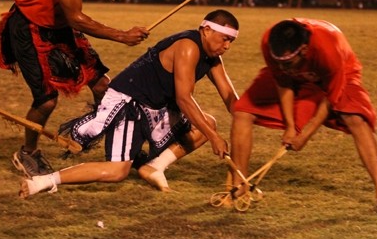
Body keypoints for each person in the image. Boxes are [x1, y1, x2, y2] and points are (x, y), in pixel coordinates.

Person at [0, 0, 149, 179]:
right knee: (46, 100)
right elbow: (76, 17)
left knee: (103, 85)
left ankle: (122, 150)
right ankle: (26, 153)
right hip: (30, 26)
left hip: (59, 24)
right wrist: (121, 35)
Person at [19, 10, 240, 198]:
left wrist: (248, 116)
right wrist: (214, 138)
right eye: (225, 39)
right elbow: (183, 99)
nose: (227, 46)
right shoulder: (188, 47)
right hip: (129, 101)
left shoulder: (212, 58)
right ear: (207, 30)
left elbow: (229, 95)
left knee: (206, 124)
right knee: (117, 171)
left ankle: (153, 167)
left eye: (231, 41)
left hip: (154, 107)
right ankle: (43, 181)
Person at [229, 18, 377, 215]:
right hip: (299, 78)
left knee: (356, 119)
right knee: (242, 111)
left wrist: (305, 134)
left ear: (303, 50)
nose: (283, 67)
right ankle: (238, 185)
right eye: (279, 63)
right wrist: (291, 126)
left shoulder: (328, 47)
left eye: (288, 63)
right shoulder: (271, 42)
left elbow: (331, 97)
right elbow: (283, 81)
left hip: (340, 74)